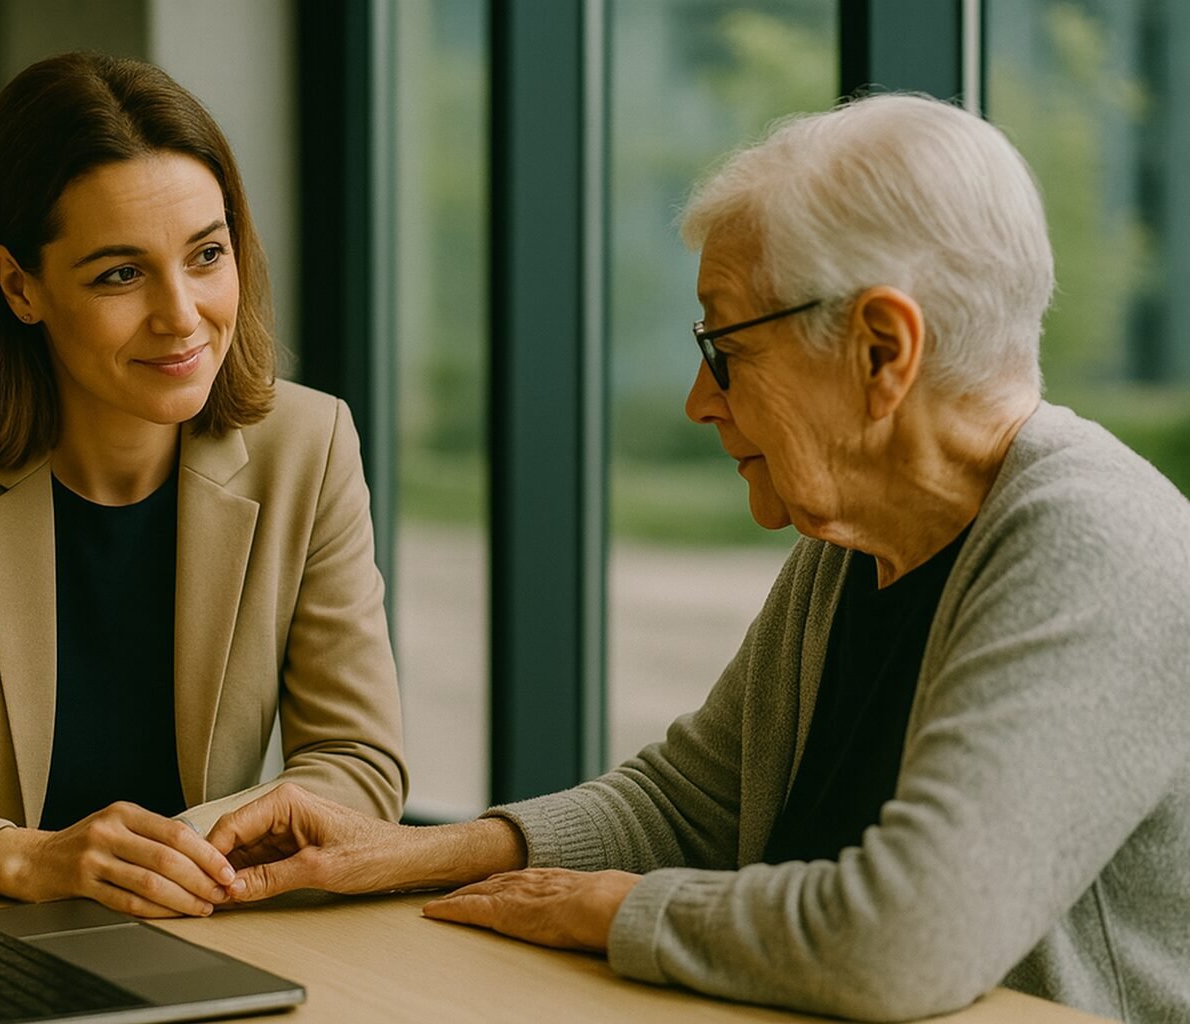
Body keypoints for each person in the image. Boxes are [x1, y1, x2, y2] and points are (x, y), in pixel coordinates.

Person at [203, 94, 1190, 1022]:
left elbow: (905, 939)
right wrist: (408, 852)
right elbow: (692, 805)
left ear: (883, 350)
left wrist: (614, 910)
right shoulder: (856, 545)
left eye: (727, 349)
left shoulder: (1096, 545)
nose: (698, 399)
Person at [0, 52, 407, 918]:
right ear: (19, 286)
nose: (181, 315)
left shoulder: (310, 443)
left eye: (207, 254)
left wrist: (161, 859)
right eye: (121, 273)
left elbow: (359, 766)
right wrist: (23, 858)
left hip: (206, 926)